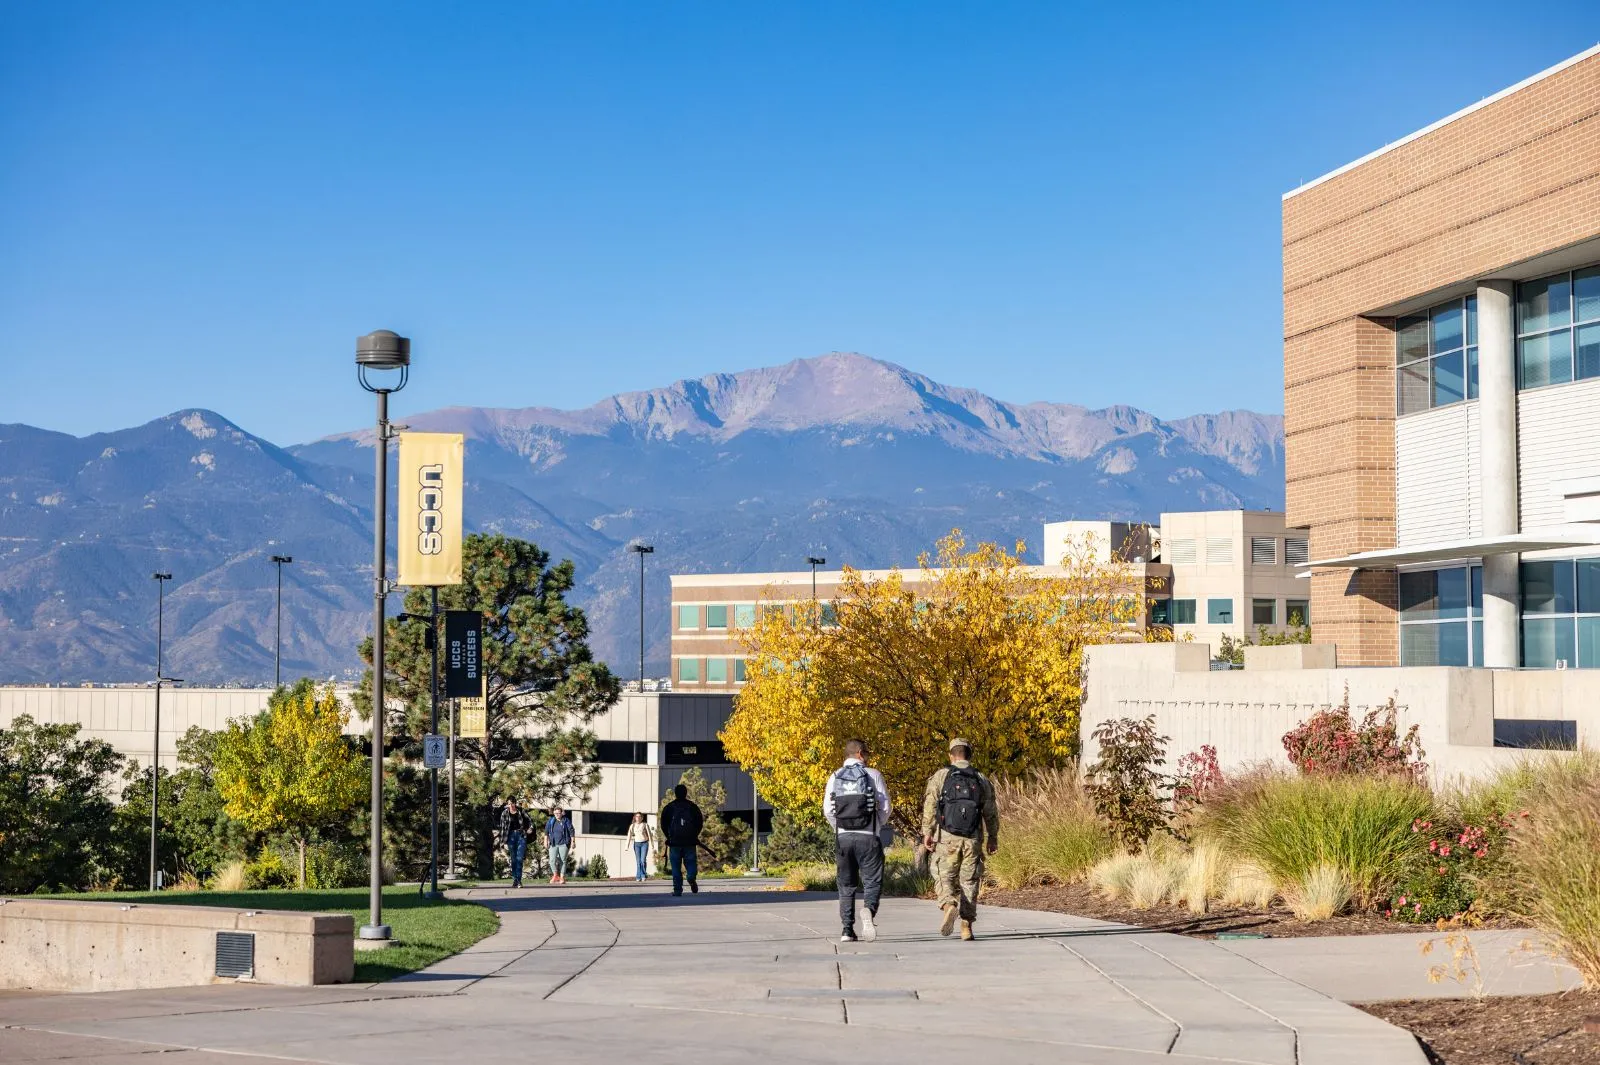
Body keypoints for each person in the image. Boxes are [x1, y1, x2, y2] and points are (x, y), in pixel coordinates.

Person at [921, 738, 999, 941]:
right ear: (969, 755)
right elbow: (990, 812)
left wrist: (927, 832)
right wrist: (992, 837)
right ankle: (966, 925)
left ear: (951, 755)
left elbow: (930, 805)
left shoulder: (941, 776)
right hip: (972, 838)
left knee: (942, 875)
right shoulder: (981, 779)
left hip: (947, 838)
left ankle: (949, 905)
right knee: (970, 881)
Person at [824, 738, 892, 943]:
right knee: (872, 881)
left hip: (843, 838)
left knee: (846, 885)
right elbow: (886, 807)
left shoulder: (835, 776)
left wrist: (840, 827)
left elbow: (828, 810)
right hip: (869, 837)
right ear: (861, 754)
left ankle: (846, 930)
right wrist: (875, 826)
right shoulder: (873, 775)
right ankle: (869, 910)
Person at [660, 783, 704, 897]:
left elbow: (663, 824)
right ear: (686, 793)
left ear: (675, 793)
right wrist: (694, 835)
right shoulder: (692, 807)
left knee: (675, 867)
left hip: (674, 843)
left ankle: (677, 890)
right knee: (690, 862)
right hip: (690, 842)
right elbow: (699, 822)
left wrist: (668, 837)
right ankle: (691, 878)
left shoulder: (669, 807)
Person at [499, 798, 531, 888]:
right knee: (513, 859)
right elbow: (502, 828)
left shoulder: (521, 811)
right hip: (510, 836)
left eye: (512, 803)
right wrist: (502, 841)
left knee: (519, 858)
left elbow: (529, 820)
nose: (511, 806)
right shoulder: (504, 813)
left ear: (515, 803)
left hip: (521, 835)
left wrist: (530, 828)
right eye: (509, 804)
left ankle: (519, 880)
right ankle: (515, 880)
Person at [545, 805, 574, 885]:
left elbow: (571, 831)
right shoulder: (551, 821)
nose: (557, 814)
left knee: (563, 860)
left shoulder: (566, 821)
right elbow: (546, 832)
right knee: (552, 861)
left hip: (564, 843)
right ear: (554, 813)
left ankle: (562, 877)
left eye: (559, 813)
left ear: (562, 813)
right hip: (553, 843)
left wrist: (573, 842)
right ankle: (555, 875)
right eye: (556, 813)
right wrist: (545, 841)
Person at [626, 812, 653, 882]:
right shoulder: (632, 826)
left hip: (644, 843)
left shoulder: (645, 825)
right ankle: (638, 876)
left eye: (639, 816)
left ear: (642, 818)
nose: (638, 818)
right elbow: (629, 836)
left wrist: (652, 844)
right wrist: (627, 846)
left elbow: (650, 835)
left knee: (643, 860)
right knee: (638, 861)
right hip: (636, 844)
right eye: (637, 816)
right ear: (635, 817)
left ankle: (643, 875)